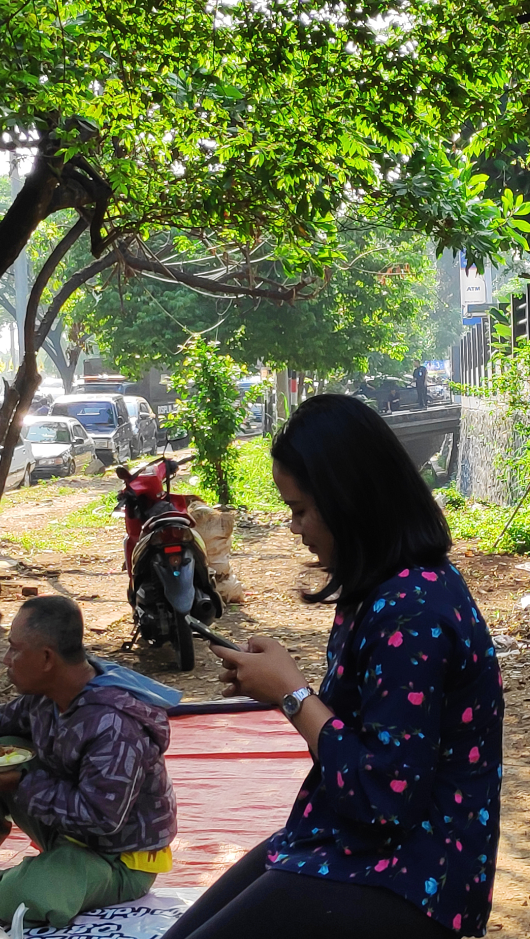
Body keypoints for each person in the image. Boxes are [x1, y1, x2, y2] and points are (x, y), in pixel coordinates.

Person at [162, 395, 503, 939]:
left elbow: (385, 798)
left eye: (300, 509)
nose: (294, 528)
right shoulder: (379, 589)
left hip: (415, 877)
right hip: (353, 843)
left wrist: (293, 695)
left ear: (350, 501)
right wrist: (282, 686)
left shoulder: (413, 611)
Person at [0, 595, 179, 927]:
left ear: (46, 658)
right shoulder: (48, 694)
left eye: (14, 649)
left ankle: (34, 879)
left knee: (30, 895)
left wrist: (21, 781)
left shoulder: (113, 723)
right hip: (67, 832)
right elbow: (5, 722)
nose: (7, 660)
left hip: (117, 858)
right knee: (5, 747)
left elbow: (101, 818)